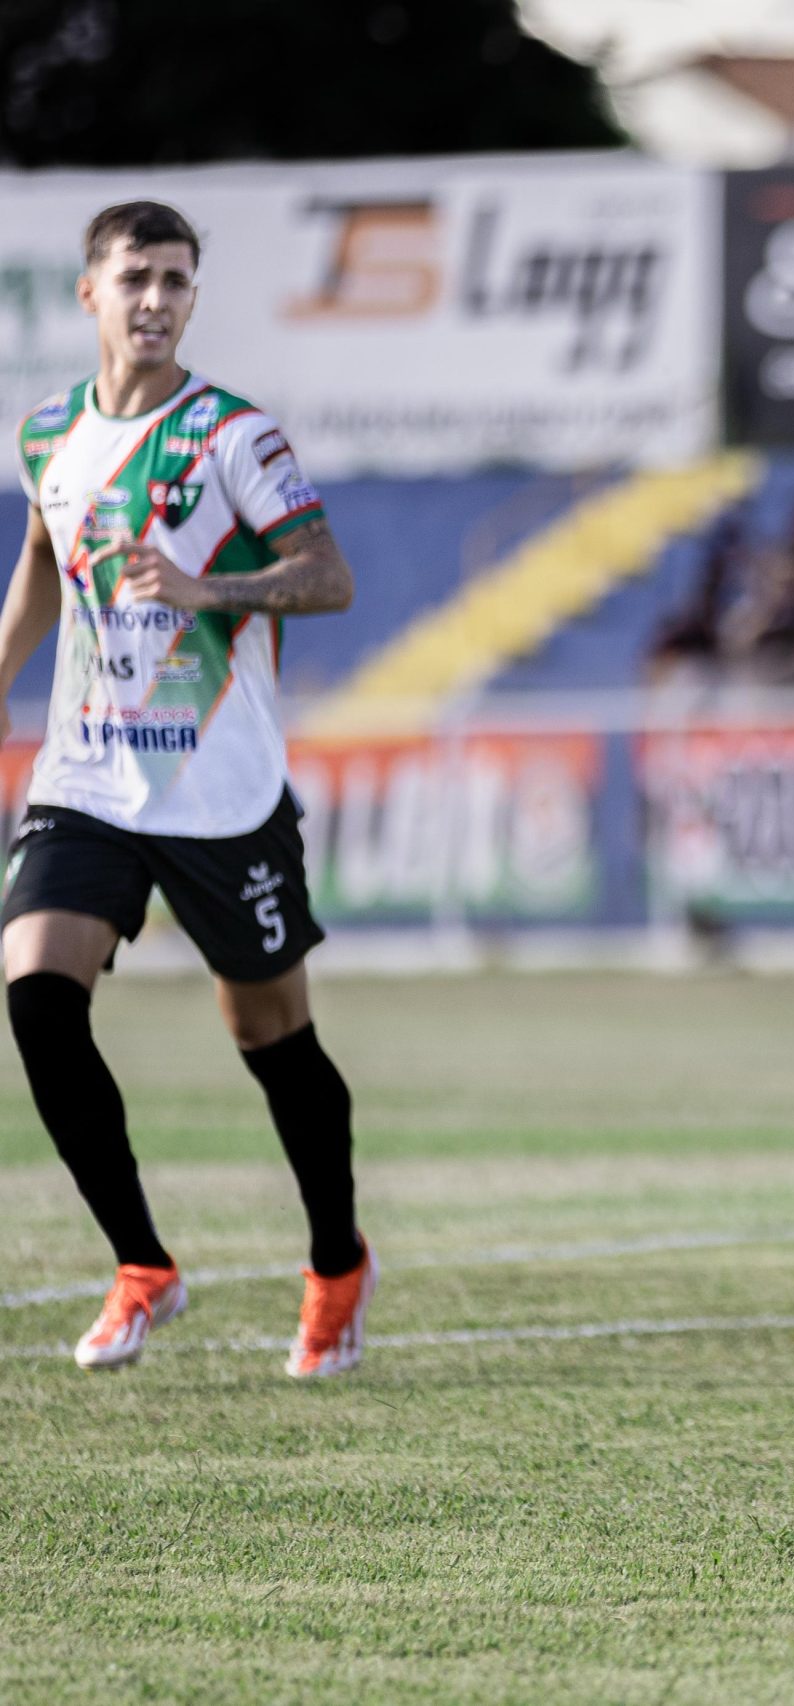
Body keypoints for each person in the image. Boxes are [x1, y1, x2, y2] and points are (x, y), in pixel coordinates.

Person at [1, 201, 373, 1376]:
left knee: (271, 1037)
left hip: (222, 792)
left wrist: (207, 589)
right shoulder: (48, 433)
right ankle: (142, 1265)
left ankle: (334, 1264)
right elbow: (43, 575)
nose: (155, 298)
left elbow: (329, 577)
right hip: (91, 773)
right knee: (34, 989)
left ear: (191, 299)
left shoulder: (233, 437)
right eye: (135, 277)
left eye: (176, 280)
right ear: (90, 293)